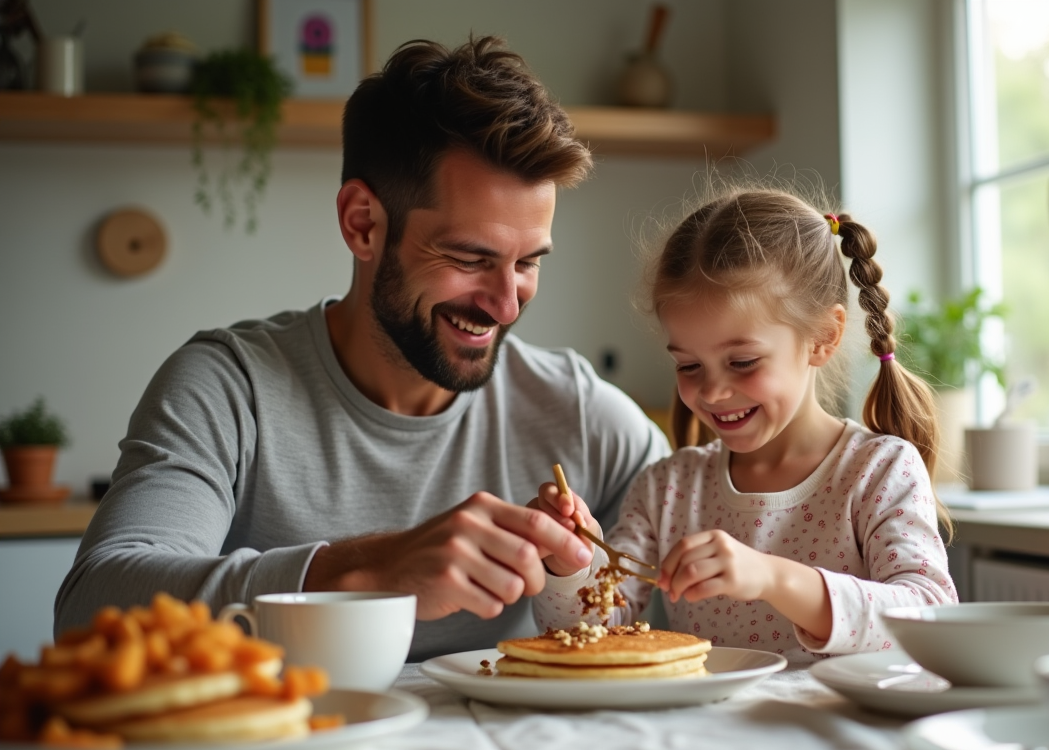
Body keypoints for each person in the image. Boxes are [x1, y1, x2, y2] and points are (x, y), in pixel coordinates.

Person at [54, 37, 670, 661]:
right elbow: (90, 610)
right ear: (363, 223)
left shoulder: (584, 415)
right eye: (468, 258)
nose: (508, 305)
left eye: (528, 263)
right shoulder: (228, 388)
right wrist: (366, 572)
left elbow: (703, 605)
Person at [533, 187, 958, 662]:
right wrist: (570, 568)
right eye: (689, 366)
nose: (713, 392)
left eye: (742, 362)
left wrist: (774, 578)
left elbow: (930, 614)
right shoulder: (666, 488)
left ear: (824, 337)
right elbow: (594, 640)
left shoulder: (878, 470)